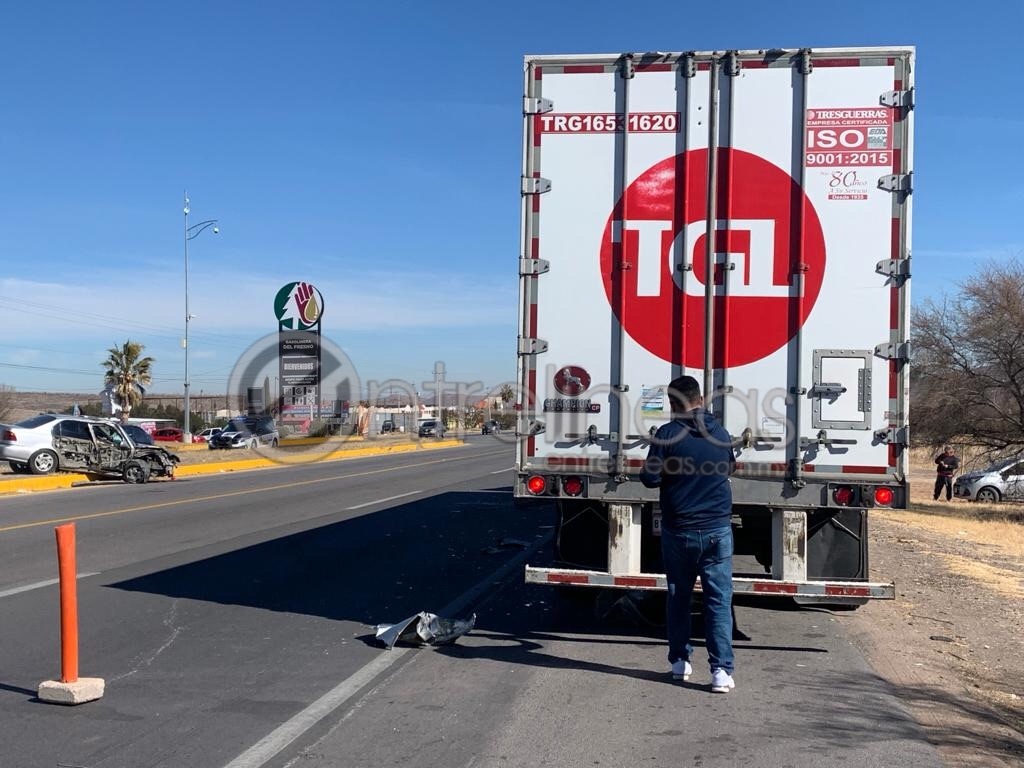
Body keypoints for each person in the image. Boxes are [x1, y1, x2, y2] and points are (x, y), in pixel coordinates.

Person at [640, 375, 737, 693]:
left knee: (679, 596)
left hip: (678, 529)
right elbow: (729, 467)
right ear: (701, 399)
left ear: (673, 403)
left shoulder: (667, 435)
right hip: (716, 529)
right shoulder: (720, 432)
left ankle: (680, 662)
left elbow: (650, 479)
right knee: (718, 600)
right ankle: (721, 671)